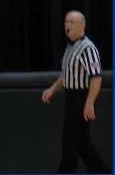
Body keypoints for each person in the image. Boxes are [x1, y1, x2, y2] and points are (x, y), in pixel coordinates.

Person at [42, 10, 111, 174]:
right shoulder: (70, 47)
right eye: (66, 22)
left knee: (79, 145)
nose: (68, 25)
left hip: (81, 98)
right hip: (71, 98)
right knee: (74, 145)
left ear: (83, 25)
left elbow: (96, 77)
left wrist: (89, 103)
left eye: (72, 22)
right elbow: (67, 75)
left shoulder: (87, 48)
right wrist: (53, 88)